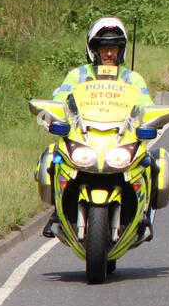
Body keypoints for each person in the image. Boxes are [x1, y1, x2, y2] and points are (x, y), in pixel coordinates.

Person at [43, 18, 154, 239]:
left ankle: (144, 216)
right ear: (93, 49)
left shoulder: (132, 78)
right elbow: (59, 99)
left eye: (114, 48)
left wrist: (150, 119)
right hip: (85, 138)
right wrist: (56, 115)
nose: (109, 54)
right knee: (51, 159)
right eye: (104, 48)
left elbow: (147, 107)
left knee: (153, 163)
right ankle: (57, 211)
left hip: (120, 140)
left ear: (121, 50)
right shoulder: (78, 75)